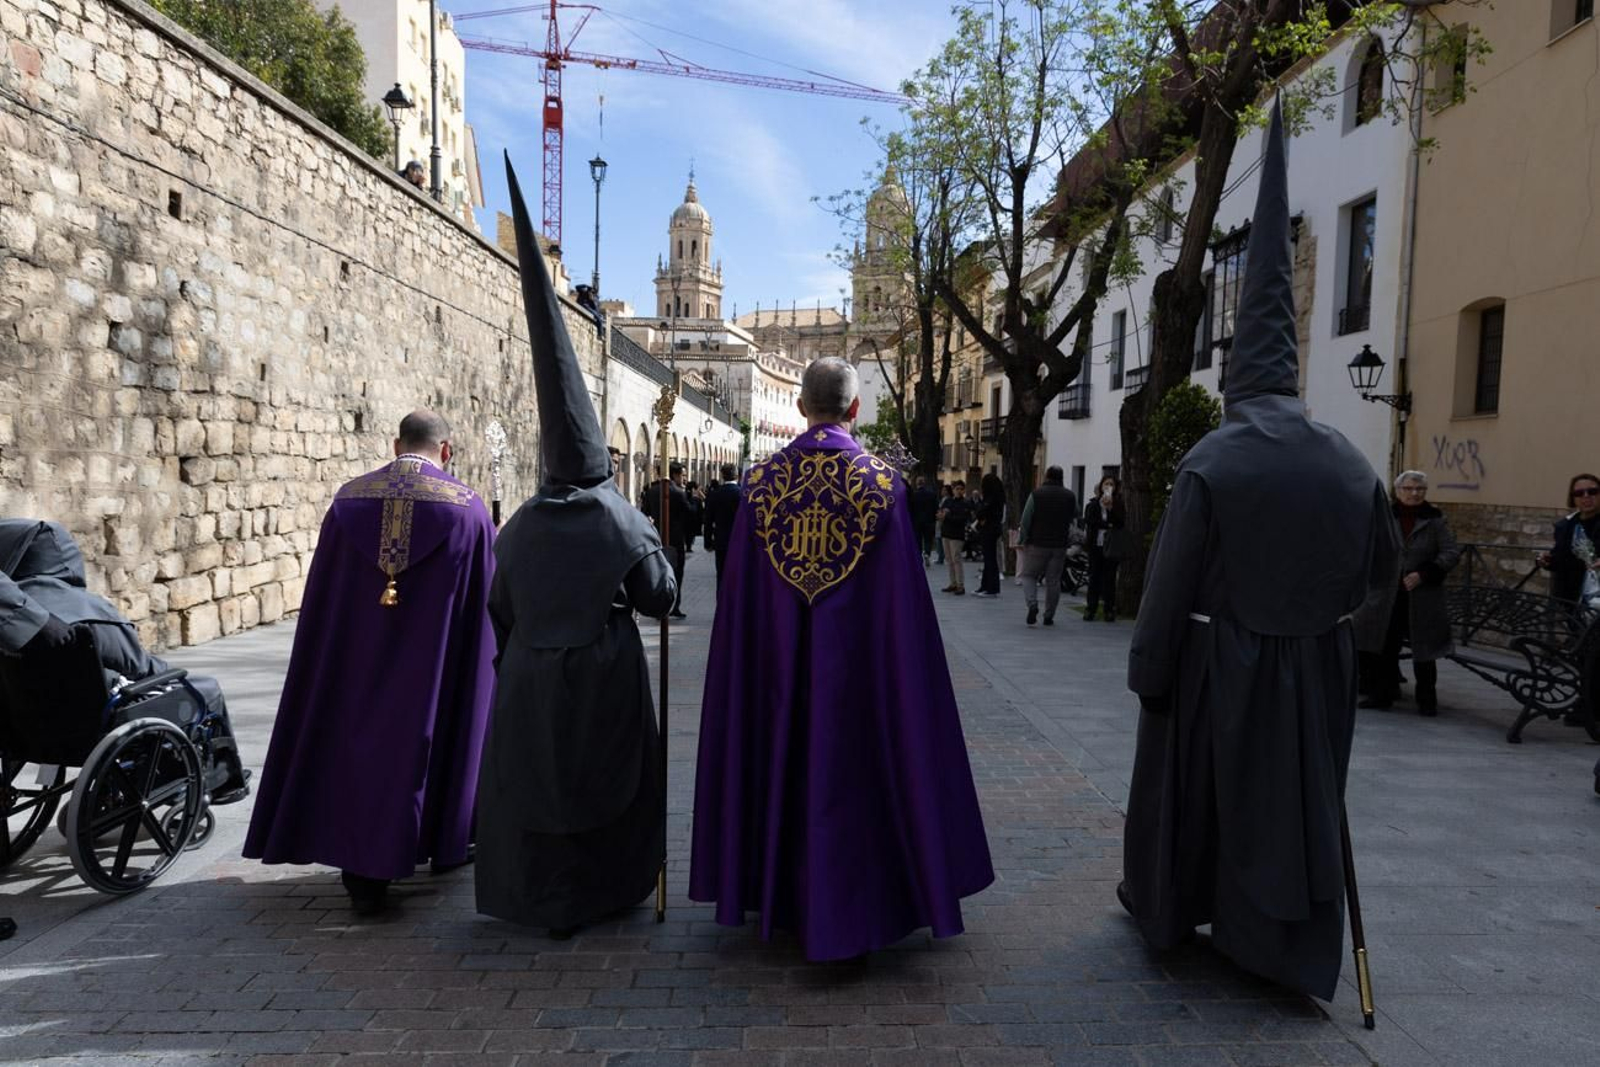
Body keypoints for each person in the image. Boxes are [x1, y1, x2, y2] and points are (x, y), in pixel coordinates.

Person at [1119, 105, 1400, 1003]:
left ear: (1237, 379)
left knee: (1203, 804)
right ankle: (1277, 948)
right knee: (1293, 809)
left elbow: (1167, 586)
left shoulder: (1212, 459)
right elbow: (1382, 576)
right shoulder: (1354, 462)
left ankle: (1182, 915)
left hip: (1214, 664)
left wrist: (1152, 671)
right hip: (1315, 672)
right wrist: (1338, 643)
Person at [690, 357, 993, 960]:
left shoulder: (759, 485)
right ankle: (867, 900)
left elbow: (741, 604)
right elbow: (901, 607)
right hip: (861, 674)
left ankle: (777, 892)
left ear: (801, 407)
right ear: (855, 409)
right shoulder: (885, 485)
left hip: (774, 670)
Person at [474, 159, 677, 938]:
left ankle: (541, 898)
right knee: (603, 779)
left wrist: (521, 655)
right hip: (601, 672)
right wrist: (648, 537)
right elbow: (660, 600)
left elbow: (499, 607)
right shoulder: (619, 516)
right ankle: (602, 891)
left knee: (540, 780)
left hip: (531, 670)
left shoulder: (521, 521)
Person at [243, 409, 497, 916]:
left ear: (395, 444)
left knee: (349, 740)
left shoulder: (348, 501)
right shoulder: (468, 510)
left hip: (352, 661)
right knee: (421, 744)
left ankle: (359, 868)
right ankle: (435, 841)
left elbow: (323, 599)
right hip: (431, 670)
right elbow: (483, 611)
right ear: (445, 451)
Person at [0, 519, 249, 803]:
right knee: (203, 689)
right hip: (88, 727)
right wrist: (171, 675)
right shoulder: (84, 613)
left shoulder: (11, 620)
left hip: (22, 731)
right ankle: (224, 782)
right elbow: (142, 666)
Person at [1361, 472, 1460, 715]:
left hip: (1422, 594)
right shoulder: (1385, 516)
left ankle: (1427, 701)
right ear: (1398, 491)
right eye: (1409, 488)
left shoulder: (1435, 519)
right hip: (1388, 593)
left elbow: (1450, 552)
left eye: (1420, 489)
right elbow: (1371, 546)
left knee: (1424, 650)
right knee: (1385, 644)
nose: (1414, 493)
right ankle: (1382, 694)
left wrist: (1424, 573)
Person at [1017, 467, 1079, 627]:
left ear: (1047, 476)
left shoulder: (1036, 494)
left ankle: (1032, 604)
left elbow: (1026, 519)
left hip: (1037, 544)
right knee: (1054, 581)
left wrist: (1023, 539)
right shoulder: (1070, 496)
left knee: (1029, 575)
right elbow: (1076, 514)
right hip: (1059, 545)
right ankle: (1049, 616)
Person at [1538, 473, 1600, 609]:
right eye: (1579, 493)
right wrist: (1547, 561)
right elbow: (1561, 560)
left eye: (1592, 491)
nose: (1586, 496)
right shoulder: (1565, 526)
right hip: (1571, 600)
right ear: (1573, 498)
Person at [642, 462, 691, 619]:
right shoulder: (678, 493)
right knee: (676, 573)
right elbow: (689, 513)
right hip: (676, 540)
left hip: (657, 538)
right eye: (682, 475)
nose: (683, 478)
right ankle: (674, 605)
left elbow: (645, 512)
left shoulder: (651, 491)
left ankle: (660, 606)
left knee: (659, 573)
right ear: (674, 475)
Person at [1083, 475, 1126, 622]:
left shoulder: (1118, 504)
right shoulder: (1093, 504)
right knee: (1094, 576)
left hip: (1111, 546)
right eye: (1106, 484)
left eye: (1111, 484)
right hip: (1096, 545)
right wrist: (1107, 524)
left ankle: (1109, 609)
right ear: (1101, 486)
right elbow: (1090, 521)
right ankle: (1091, 608)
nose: (1108, 487)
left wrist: (1110, 509)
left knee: (1109, 578)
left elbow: (1120, 522)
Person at [703, 464, 743, 590]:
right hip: (739, 542)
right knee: (737, 577)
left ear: (722, 475)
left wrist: (708, 542)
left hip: (721, 541)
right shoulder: (742, 494)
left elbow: (708, 520)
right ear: (737, 475)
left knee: (721, 575)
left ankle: (721, 604)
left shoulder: (715, 494)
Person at [937, 482, 973, 595]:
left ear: (964, 491)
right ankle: (953, 583)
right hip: (946, 533)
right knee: (949, 560)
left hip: (957, 535)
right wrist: (942, 516)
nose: (958, 491)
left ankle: (960, 585)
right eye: (956, 489)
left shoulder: (965, 503)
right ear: (953, 490)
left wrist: (947, 516)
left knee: (956, 559)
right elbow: (941, 513)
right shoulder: (948, 501)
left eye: (961, 489)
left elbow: (961, 519)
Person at [974, 473, 1006, 597]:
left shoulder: (991, 498)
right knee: (988, 559)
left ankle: (991, 588)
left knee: (990, 559)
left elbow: (981, 511)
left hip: (989, 529)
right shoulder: (998, 497)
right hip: (993, 529)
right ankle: (985, 586)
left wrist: (981, 514)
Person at [910, 477, 940, 566]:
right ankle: (927, 553)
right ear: (924, 483)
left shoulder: (914, 495)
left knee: (918, 539)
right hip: (929, 521)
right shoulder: (931, 494)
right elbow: (936, 507)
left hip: (917, 521)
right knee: (928, 539)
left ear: (916, 484)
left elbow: (910, 509)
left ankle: (919, 557)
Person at [934, 483, 952, 565]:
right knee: (938, 538)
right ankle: (940, 556)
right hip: (939, 520)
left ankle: (941, 557)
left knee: (940, 539)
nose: (942, 491)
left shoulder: (947, 500)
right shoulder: (942, 499)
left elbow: (944, 510)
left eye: (944, 490)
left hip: (942, 521)